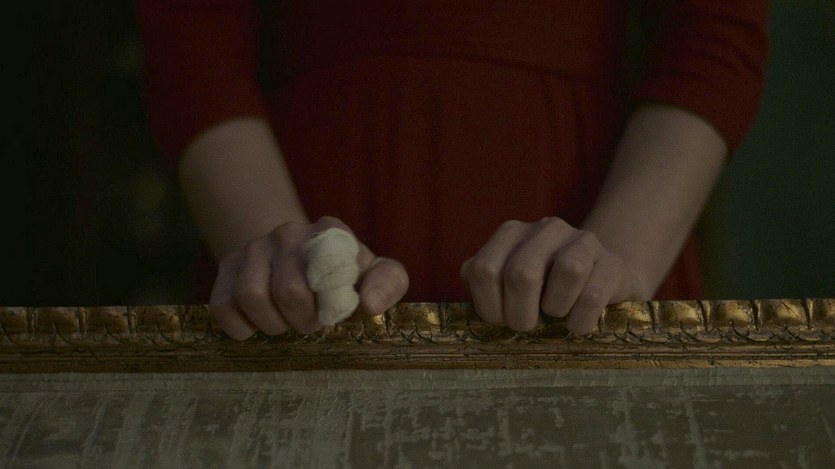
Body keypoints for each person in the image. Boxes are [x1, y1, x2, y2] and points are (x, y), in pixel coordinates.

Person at [137, 1, 768, 339]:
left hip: (599, 215)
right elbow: (191, 33)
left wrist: (615, 263)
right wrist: (278, 259)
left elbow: (712, 29)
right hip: (288, 207)